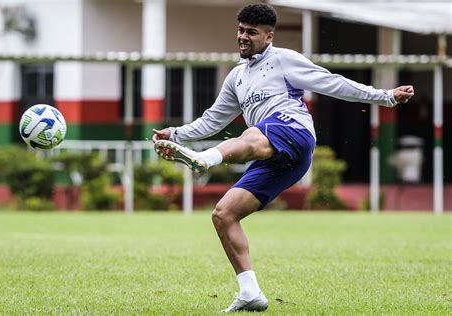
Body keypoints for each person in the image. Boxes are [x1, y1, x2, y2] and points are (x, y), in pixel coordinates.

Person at [152, 3, 414, 313]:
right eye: (240, 30)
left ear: (269, 36)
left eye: (251, 32)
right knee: (224, 214)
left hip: (294, 131)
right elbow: (212, 120)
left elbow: (333, 83)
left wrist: (384, 96)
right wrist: (176, 134)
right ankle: (250, 293)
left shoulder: (284, 60)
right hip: (274, 154)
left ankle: (205, 160)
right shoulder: (236, 77)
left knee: (249, 137)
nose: (243, 37)